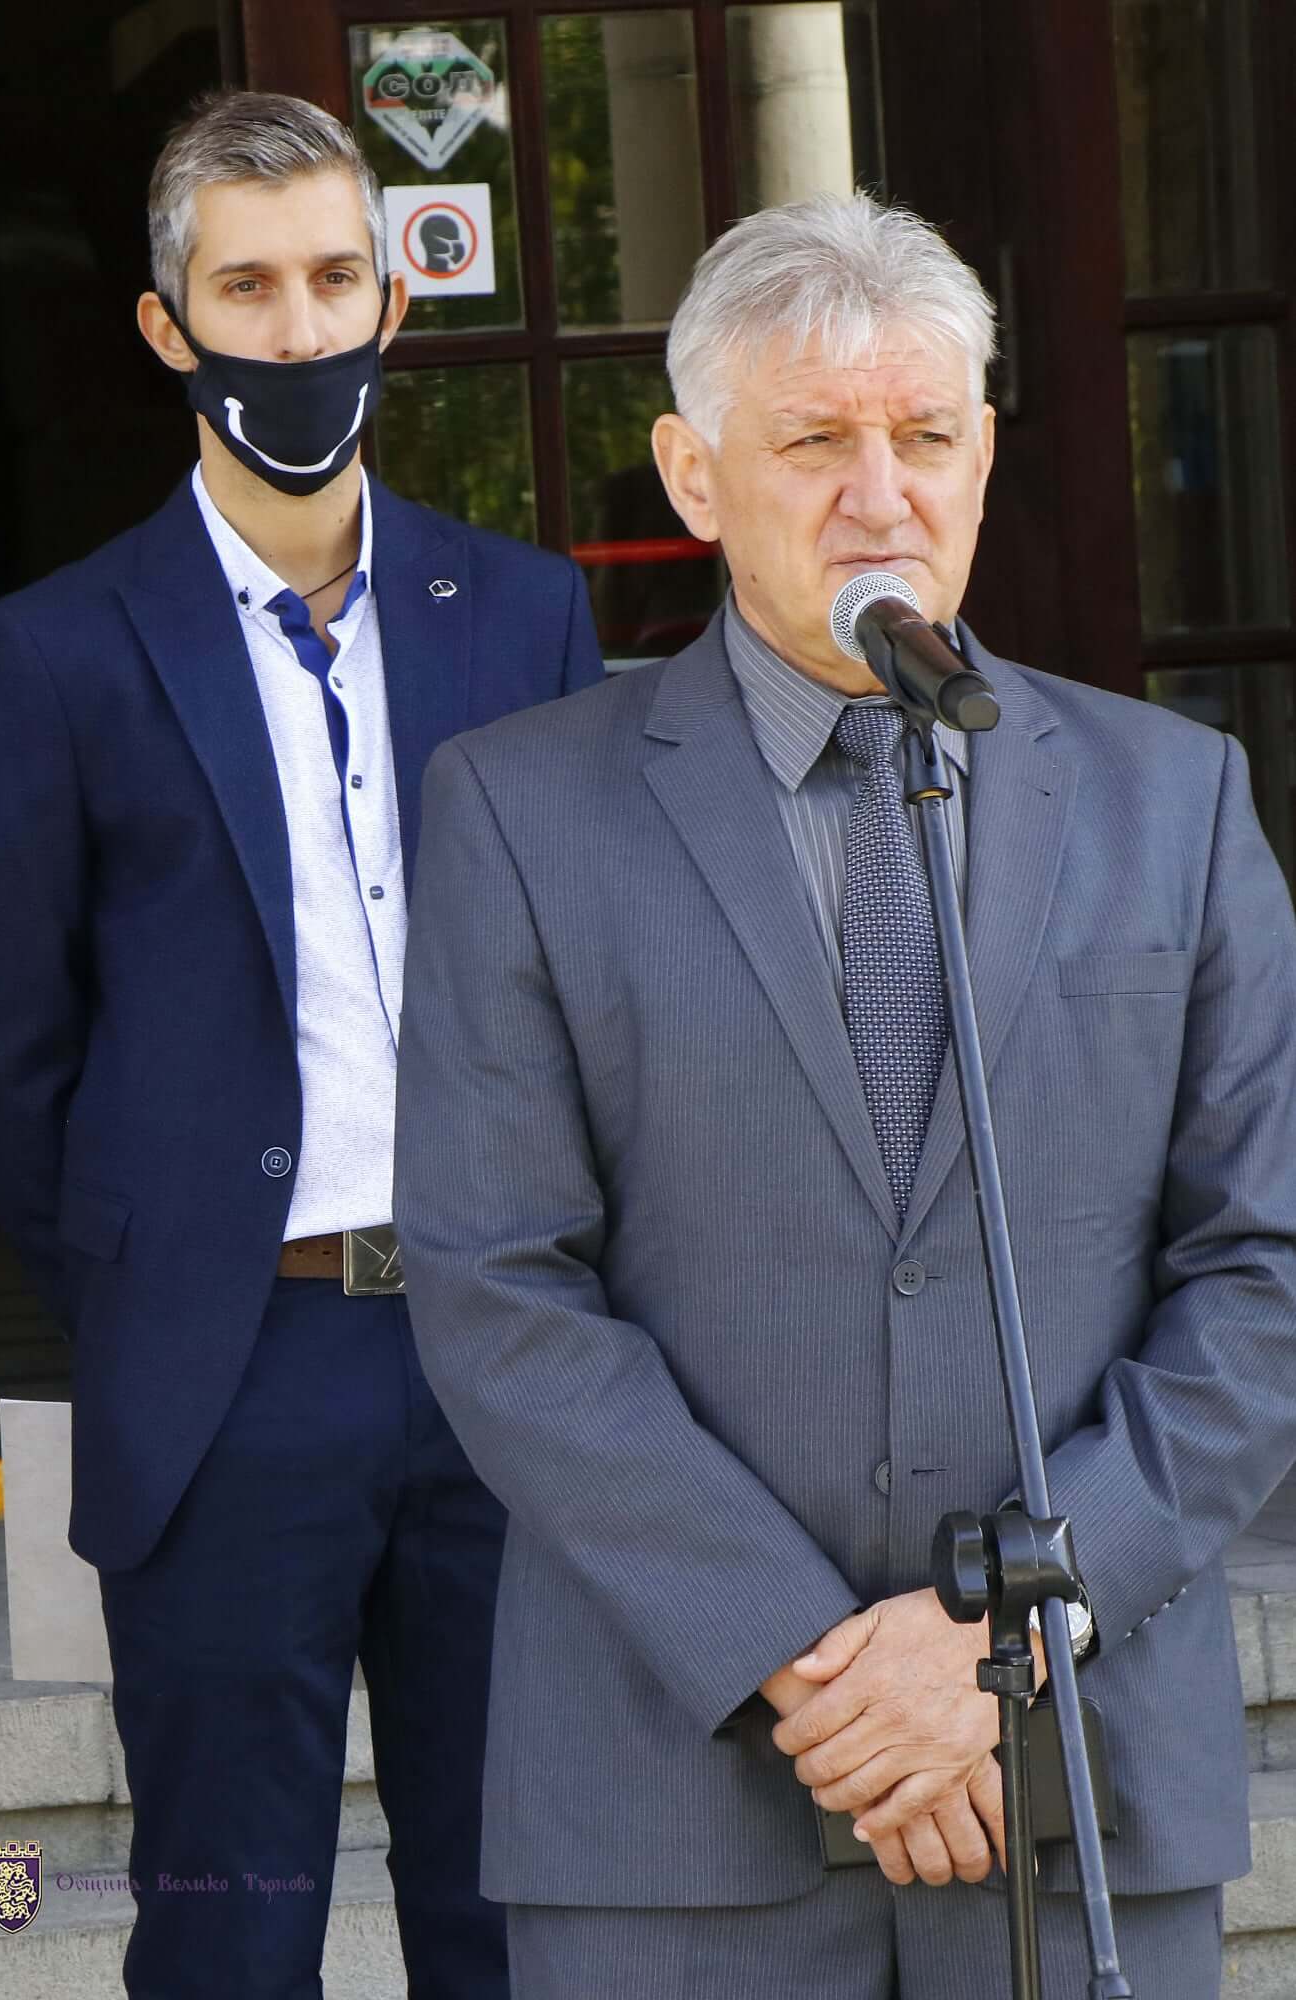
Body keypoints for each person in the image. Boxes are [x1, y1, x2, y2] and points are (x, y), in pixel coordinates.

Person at [391, 192, 1296, 1999]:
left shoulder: (1175, 801)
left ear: (983, 459)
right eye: (814, 442)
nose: (881, 496)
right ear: (695, 474)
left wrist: (998, 1648)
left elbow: (1266, 1269)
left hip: (1076, 1790)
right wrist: (820, 1667)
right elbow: (500, 1287)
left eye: (926, 437)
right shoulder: (519, 808)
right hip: (675, 1815)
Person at [0, 89, 601, 2000]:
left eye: (329, 279)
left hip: (504, 1364)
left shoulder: (524, 614)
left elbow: (597, 989)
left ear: (391, 299)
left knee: (520, 1928)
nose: (297, 329)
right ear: (170, 326)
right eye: (246, 288)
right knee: (229, 1934)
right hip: (232, 1378)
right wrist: (152, 1278)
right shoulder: (56, 653)